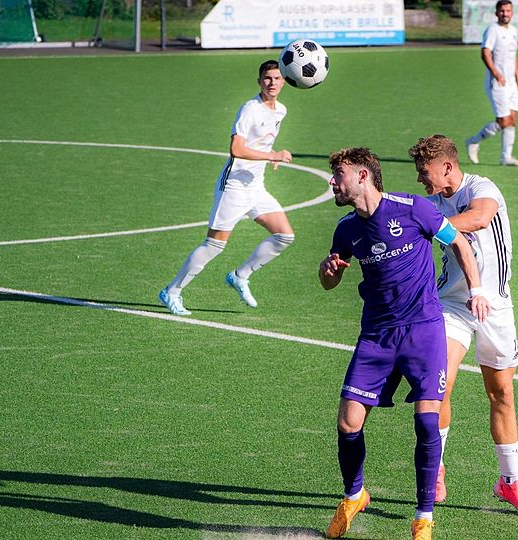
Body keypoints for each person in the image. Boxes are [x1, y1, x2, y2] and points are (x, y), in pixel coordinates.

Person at [319, 147, 491, 540]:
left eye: (339, 174)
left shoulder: (413, 209)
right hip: (377, 335)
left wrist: (476, 290)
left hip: (423, 331)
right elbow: (330, 281)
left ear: (363, 176)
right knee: (348, 422)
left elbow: (459, 242)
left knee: (427, 422)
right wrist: (328, 271)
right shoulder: (347, 229)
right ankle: (354, 496)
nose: (333, 181)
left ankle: (423, 516)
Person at [408, 134, 518, 518]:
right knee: (440, 384)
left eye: (424, 171)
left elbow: (480, 218)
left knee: (502, 393)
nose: (420, 179)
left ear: (447, 167)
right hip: (452, 304)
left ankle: (510, 482)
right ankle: (436, 468)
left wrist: (433, 226)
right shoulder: (430, 204)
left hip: (495, 306)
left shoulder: (481, 188)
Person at [158, 59, 295, 316]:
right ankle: (172, 292)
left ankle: (240, 276)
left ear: (284, 81)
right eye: (267, 78)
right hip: (233, 186)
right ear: (259, 81)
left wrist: (272, 156)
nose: (272, 83)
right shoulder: (250, 109)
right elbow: (236, 149)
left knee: (284, 236)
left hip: (256, 187)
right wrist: (272, 156)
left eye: (277, 78)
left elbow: (261, 143)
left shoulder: (281, 110)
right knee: (214, 245)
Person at [466, 0, 518, 167]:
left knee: (512, 119)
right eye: (502, 11)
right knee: (504, 121)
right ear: (496, 13)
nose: (505, 14)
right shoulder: (493, 30)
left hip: (512, 83)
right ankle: (474, 141)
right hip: (497, 83)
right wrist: (496, 74)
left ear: (512, 13)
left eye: (508, 11)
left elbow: (513, 57)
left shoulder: (513, 30)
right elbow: (485, 53)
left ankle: (506, 157)